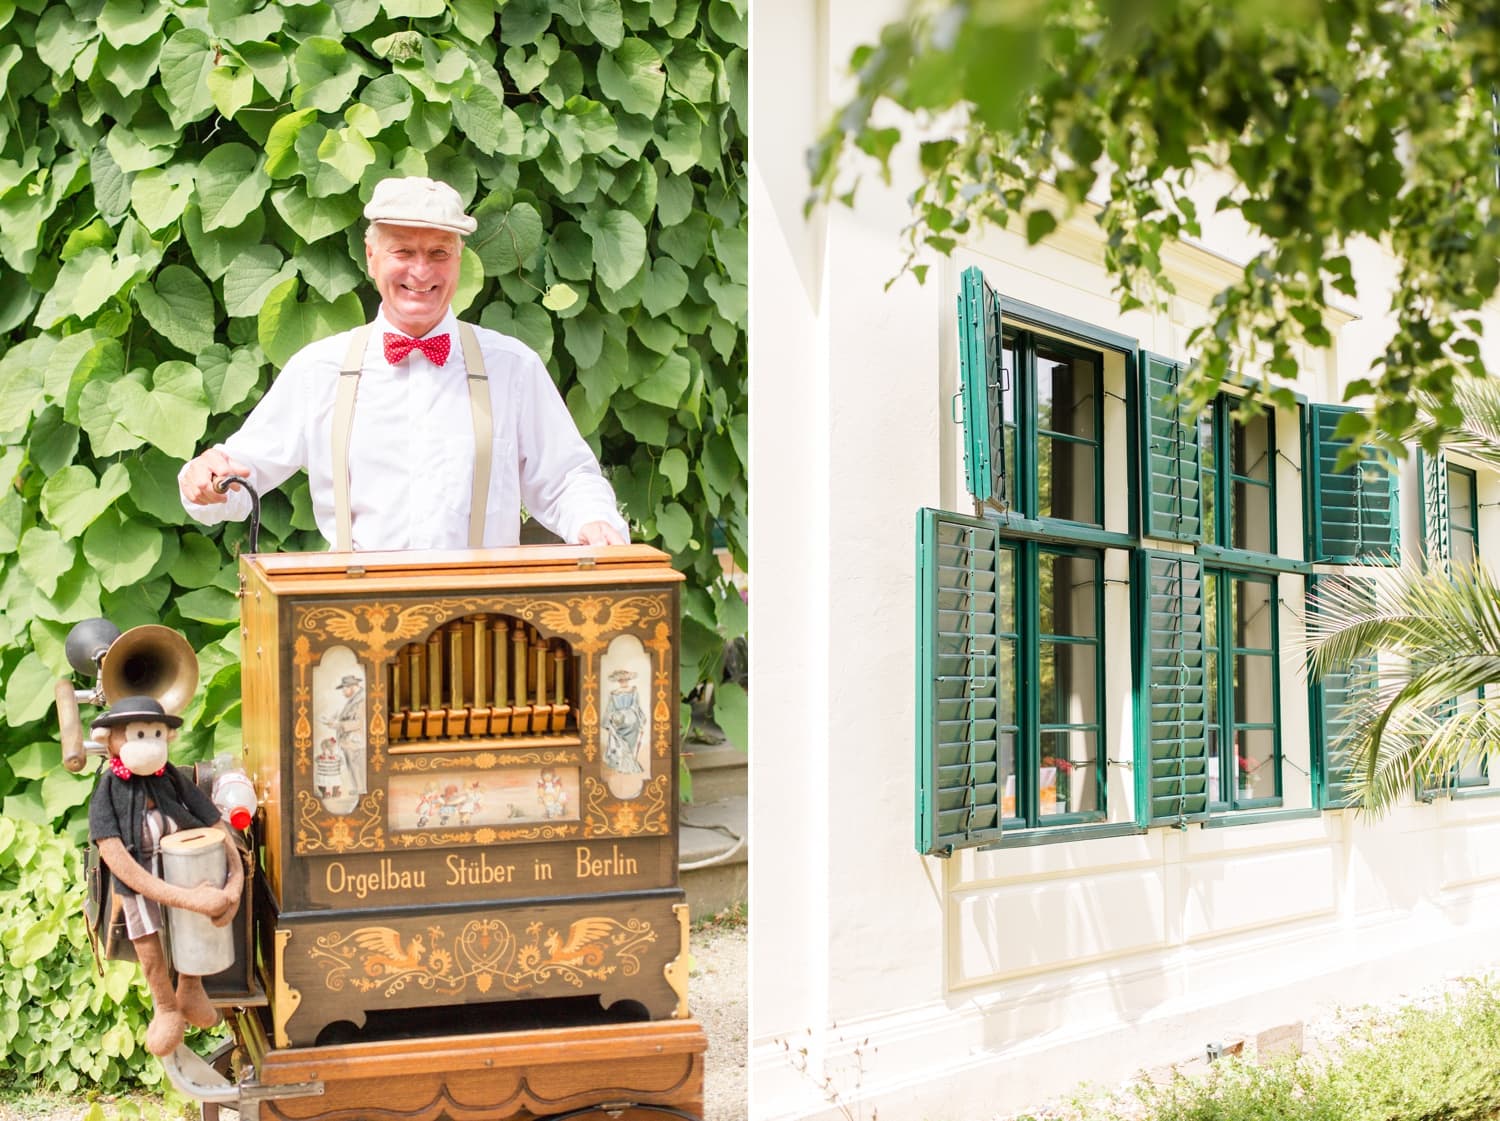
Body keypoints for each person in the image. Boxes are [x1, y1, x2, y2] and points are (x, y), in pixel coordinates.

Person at [177, 176, 629, 551]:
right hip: (357, 632)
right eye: (403, 252)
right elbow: (240, 475)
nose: (421, 272)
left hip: (481, 623)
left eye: (438, 253)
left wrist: (595, 523)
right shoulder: (320, 370)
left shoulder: (512, 368)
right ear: (372, 257)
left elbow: (567, 478)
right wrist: (206, 478)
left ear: (458, 261)